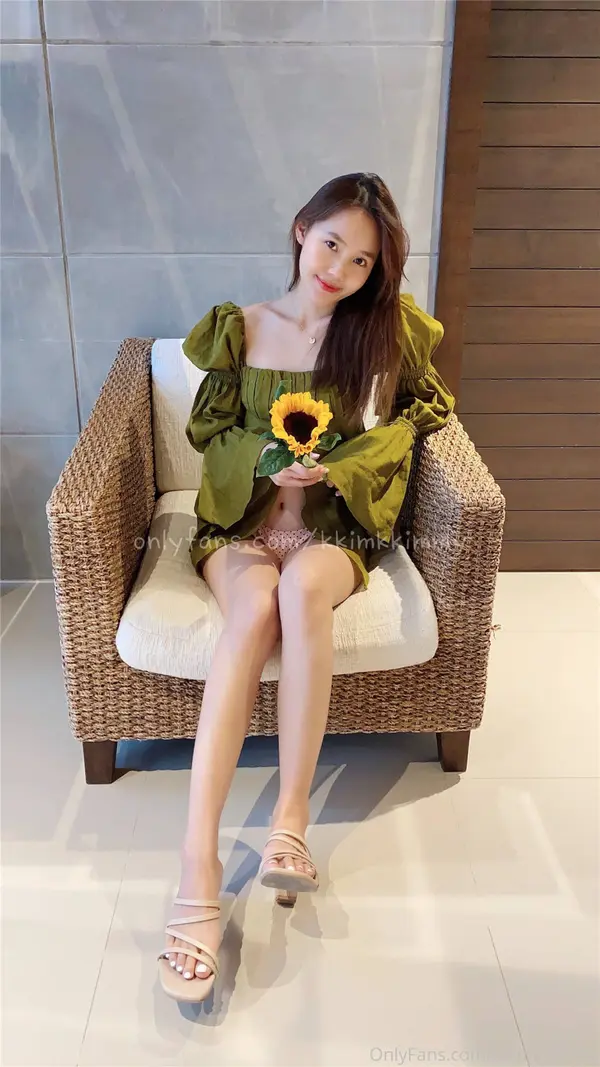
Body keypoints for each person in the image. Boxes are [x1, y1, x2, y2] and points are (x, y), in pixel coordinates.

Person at [157, 172, 455, 1002]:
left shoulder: (384, 333)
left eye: (362, 262)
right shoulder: (242, 328)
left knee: (299, 594)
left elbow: (423, 413)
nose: (340, 270)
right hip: (243, 524)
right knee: (253, 608)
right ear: (301, 230)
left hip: (334, 528)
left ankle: (290, 819)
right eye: (332, 245)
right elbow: (209, 431)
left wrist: (345, 463)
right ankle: (198, 864)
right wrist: (264, 460)